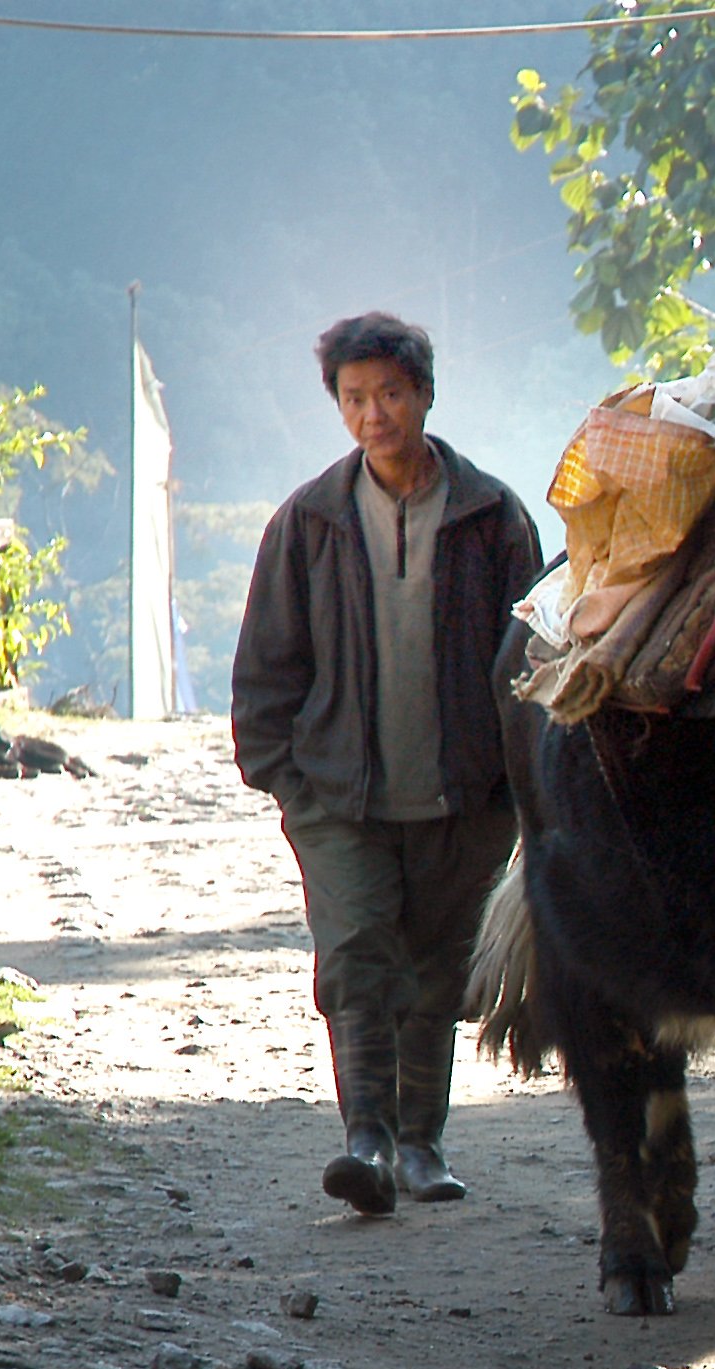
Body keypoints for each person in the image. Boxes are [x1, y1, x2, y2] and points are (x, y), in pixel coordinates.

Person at [231, 313, 544, 1214]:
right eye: (356, 397)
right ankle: (364, 1140)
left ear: (426, 396)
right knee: (357, 955)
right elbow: (268, 666)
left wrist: (514, 788)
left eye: (392, 394)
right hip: (339, 797)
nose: (375, 414)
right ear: (338, 406)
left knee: (438, 970)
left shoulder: (493, 518)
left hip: (466, 800)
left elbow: (533, 662)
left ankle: (421, 1146)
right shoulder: (310, 522)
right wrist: (286, 779)